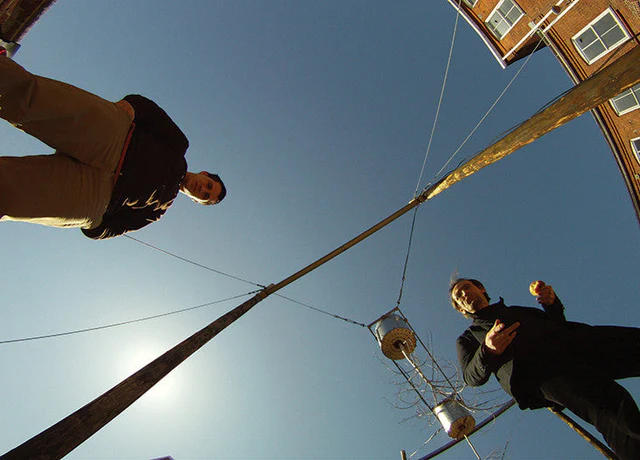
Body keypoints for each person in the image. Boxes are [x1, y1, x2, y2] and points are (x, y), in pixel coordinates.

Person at [0, 46, 226, 239]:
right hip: (112, 138)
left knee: (14, 195)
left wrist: (95, 225)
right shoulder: (179, 146)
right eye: (208, 185)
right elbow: (150, 112)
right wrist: (129, 109)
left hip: (97, 193)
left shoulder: (157, 210)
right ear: (204, 174)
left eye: (205, 196)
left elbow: (118, 226)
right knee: (30, 101)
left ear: (197, 201)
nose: (202, 189)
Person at [449, 276, 640, 459]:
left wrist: (552, 304)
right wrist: (487, 351)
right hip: (543, 373)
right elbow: (471, 377)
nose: (464, 294)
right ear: (460, 309)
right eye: (459, 296)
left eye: (466, 287)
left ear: (481, 288)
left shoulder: (517, 310)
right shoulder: (469, 338)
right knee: (613, 407)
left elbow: (557, 323)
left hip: (575, 343)